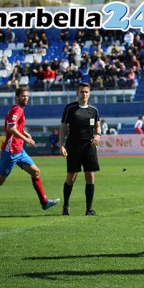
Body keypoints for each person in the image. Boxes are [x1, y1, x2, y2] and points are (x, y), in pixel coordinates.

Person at [0, 87, 60, 210]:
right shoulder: (17, 109)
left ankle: (44, 202)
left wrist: (24, 133)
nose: (25, 98)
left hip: (19, 150)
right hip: (10, 152)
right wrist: (27, 139)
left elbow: (12, 126)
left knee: (35, 172)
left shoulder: (18, 109)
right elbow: (11, 128)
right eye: (23, 96)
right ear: (17, 98)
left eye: (27, 96)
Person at [59, 83, 101, 216]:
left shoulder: (93, 110)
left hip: (89, 147)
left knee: (90, 176)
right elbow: (63, 127)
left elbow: (98, 126)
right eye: (82, 92)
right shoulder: (70, 108)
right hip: (73, 146)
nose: (84, 94)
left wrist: (98, 135)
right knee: (71, 177)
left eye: (86, 92)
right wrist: (61, 145)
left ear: (90, 94)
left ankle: (89, 209)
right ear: (77, 93)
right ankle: (66, 206)